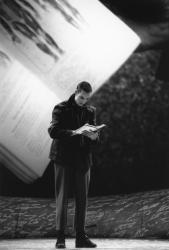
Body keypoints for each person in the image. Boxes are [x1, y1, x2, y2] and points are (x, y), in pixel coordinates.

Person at [48, 81, 99, 248]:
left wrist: (94, 137)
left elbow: (93, 137)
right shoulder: (60, 108)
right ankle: (60, 237)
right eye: (81, 97)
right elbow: (53, 131)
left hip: (82, 159)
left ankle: (80, 237)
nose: (83, 101)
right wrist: (73, 133)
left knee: (82, 199)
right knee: (62, 198)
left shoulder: (90, 111)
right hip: (63, 158)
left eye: (86, 99)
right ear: (76, 91)